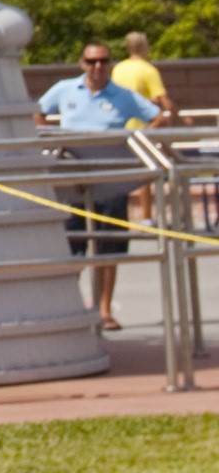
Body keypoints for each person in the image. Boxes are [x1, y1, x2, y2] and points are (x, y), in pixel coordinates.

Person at [37, 41, 160, 331]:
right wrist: (51, 137)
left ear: (110, 63)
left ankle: (104, 309)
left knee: (109, 247)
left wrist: (135, 142)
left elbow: (157, 116)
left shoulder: (123, 95)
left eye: (103, 61)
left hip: (110, 179)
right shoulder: (65, 89)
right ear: (83, 64)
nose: (98, 67)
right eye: (92, 62)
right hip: (75, 180)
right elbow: (38, 111)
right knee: (72, 246)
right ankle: (70, 309)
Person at [115, 32, 175, 225]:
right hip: (144, 129)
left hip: (120, 127)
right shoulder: (148, 70)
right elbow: (164, 100)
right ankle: (146, 216)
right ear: (145, 47)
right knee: (147, 175)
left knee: (120, 174)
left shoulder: (118, 69)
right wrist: (178, 116)